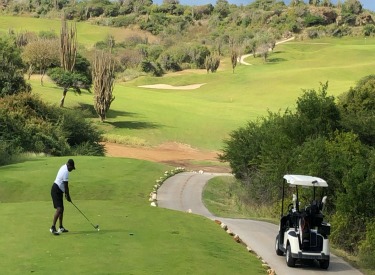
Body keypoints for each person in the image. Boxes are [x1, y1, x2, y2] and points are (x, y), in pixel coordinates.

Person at [50, 159, 75, 235]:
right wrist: (68, 196)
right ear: (69, 165)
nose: (72, 169)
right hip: (56, 190)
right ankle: (53, 227)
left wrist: (66, 195)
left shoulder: (63, 167)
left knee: (62, 209)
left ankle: (60, 227)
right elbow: (66, 186)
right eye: (72, 168)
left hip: (59, 190)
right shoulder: (66, 171)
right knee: (59, 209)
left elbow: (64, 187)